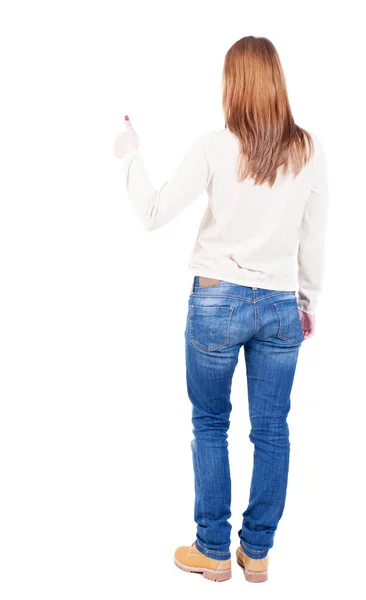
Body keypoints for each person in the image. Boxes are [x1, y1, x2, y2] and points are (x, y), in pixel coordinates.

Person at [113, 35, 328, 584]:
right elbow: (314, 237)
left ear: (233, 84)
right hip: (280, 305)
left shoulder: (215, 145)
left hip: (215, 303)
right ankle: (255, 553)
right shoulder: (308, 150)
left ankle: (211, 549)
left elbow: (155, 212)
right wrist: (308, 301)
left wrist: (129, 155)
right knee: (273, 430)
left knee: (210, 424)